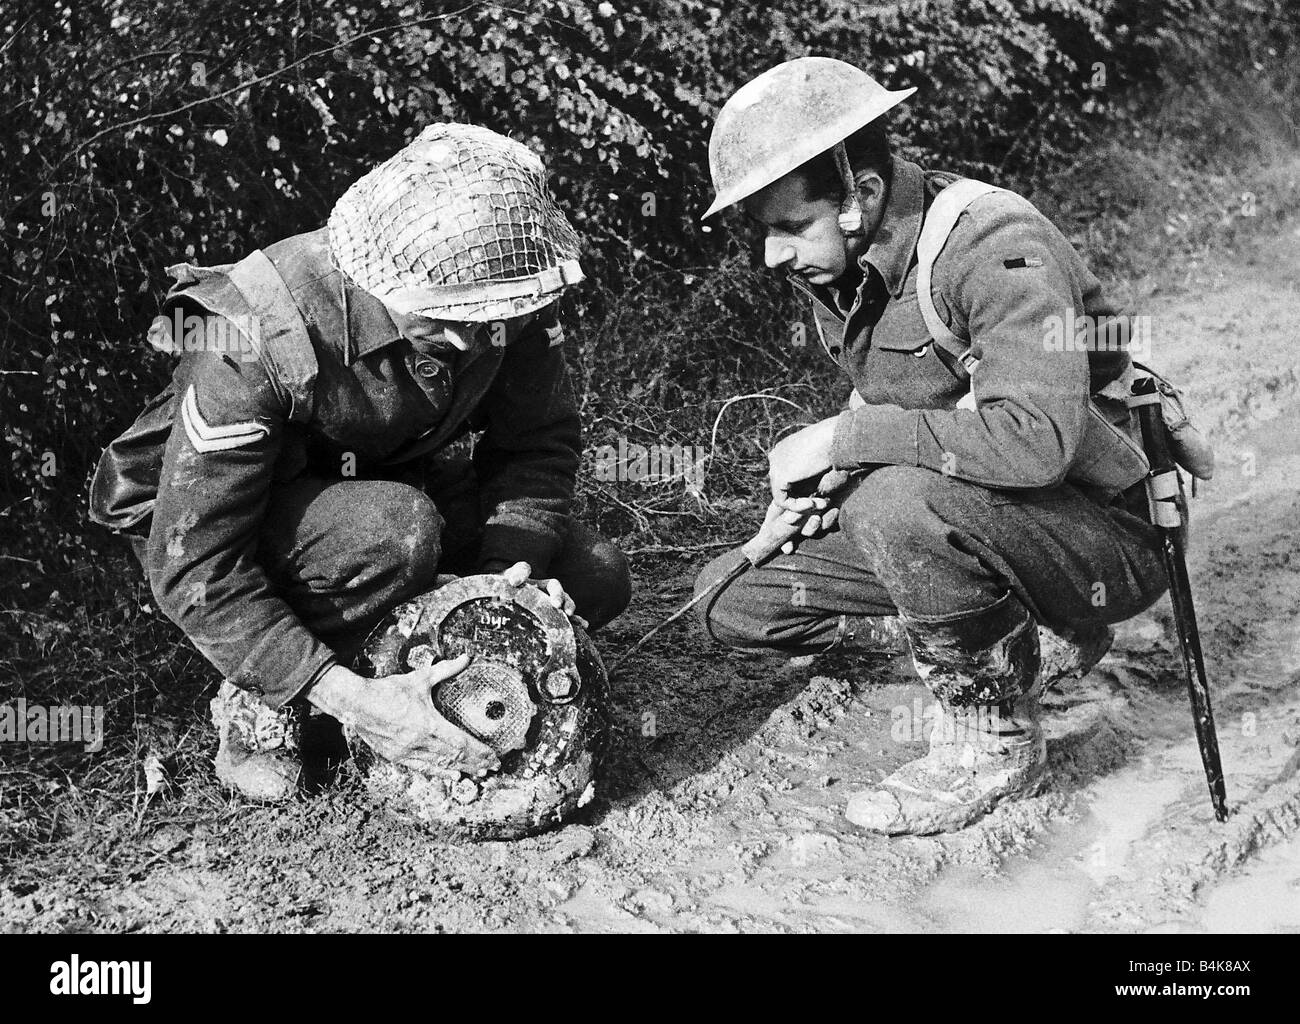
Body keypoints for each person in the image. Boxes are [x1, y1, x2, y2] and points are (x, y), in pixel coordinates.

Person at [694, 57, 1169, 836]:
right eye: (764, 232)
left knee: (895, 503)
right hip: (971, 517)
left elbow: (1038, 441)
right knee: (730, 602)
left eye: (787, 227)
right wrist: (829, 483)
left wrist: (844, 440)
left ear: (861, 198)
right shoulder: (841, 267)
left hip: (1098, 532)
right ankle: (1023, 646)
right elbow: (904, 402)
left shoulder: (995, 246)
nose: (773, 256)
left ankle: (991, 736)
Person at [89, 123, 631, 801]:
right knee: (397, 531)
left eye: (490, 316)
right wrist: (353, 700)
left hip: (383, 487)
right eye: (445, 320)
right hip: (222, 518)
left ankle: (398, 658)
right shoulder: (251, 334)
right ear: (383, 281)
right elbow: (196, 564)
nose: (472, 336)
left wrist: (499, 587)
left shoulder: (503, 291)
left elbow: (536, 444)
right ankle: (266, 701)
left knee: (593, 576)